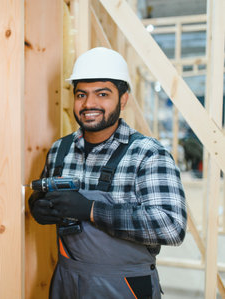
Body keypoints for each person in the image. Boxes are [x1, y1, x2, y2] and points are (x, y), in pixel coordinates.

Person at [28, 47, 187, 298]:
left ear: (123, 99)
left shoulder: (148, 154)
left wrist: (91, 210)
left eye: (102, 94)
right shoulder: (60, 149)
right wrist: (37, 206)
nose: (89, 104)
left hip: (125, 285)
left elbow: (170, 227)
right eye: (81, 94)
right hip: (67, 282)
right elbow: (43, 193)